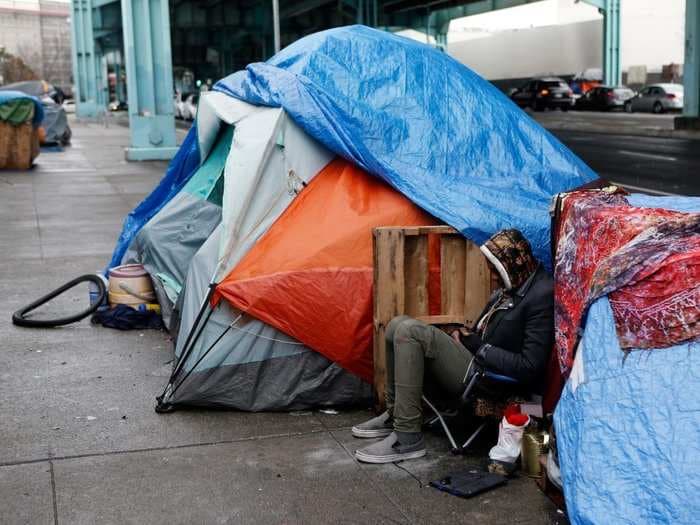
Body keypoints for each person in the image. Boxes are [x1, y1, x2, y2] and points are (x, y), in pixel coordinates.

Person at [353, 229, 554, 464]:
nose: (492, 274)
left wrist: (479, 346)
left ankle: (407, 439)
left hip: (489, 379)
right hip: (476, 359)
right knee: (396, 324)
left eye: (494, 267)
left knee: (409, 332)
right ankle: (395, 413)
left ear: (511, 263)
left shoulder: (541, 295)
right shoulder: (514, 285)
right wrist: (463, 333)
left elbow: (530, 366)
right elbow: (487, 329)